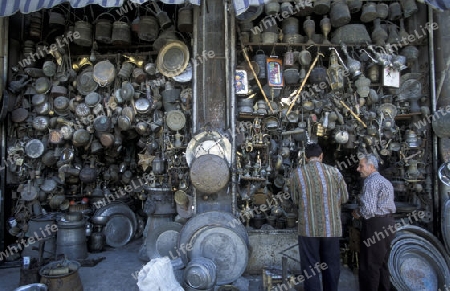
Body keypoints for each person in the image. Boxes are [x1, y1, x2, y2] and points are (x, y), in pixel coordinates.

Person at [290, 143, 349, 291]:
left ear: (305, 157)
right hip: (331, 229)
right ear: (321, 156)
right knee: (332, 266)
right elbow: (345, 197)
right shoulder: (335, 172)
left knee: (310, 268)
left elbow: (295, 200)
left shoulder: (297, 174)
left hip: (308, 229)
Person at [353, 154, 396, 291]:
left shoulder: (371, 182)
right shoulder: (385, 181)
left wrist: (357, 213)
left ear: (371, 167)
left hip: (375, 224)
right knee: (382, 264)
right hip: (388, 223)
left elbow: (369, 210)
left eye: (361, 166)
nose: (358, 169)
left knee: (370, 264)